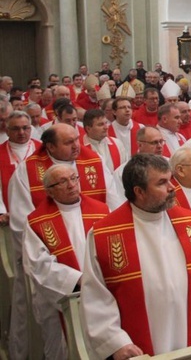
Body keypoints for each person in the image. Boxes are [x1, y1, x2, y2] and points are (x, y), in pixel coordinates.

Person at [80, 154, 191, 357]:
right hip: (138, 349)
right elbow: (96, 297)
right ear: (139, 191)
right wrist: (115, 342)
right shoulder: (104, 234)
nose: (172, 188)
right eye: (162, 183)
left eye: (170, 179)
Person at [6, 124, 114, 360]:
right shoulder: (27, 173)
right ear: (50, 146)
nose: (77, 145)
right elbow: (22, 228)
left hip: (103, 286)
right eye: (68, 142)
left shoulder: (93, 163)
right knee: (63, 346)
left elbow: (115, 213)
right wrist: (77, 279)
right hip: (60, 291)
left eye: (77, 139)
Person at [23, 164, 110, 360]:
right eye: (63, 181)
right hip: (65, 297)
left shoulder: (101, 210)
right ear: (49, 191)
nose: (71, 185)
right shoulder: (37, 221)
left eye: (74, 178)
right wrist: (79, 279)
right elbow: (39, 264)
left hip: (101, 292)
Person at [0, 111, 39, 220]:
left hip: (41, 211)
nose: (21, 132)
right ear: (7, 131)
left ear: (30, 129)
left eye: (25, 128)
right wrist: (1, 212)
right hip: (9, 215)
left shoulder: (43, 150)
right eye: (16, 129)